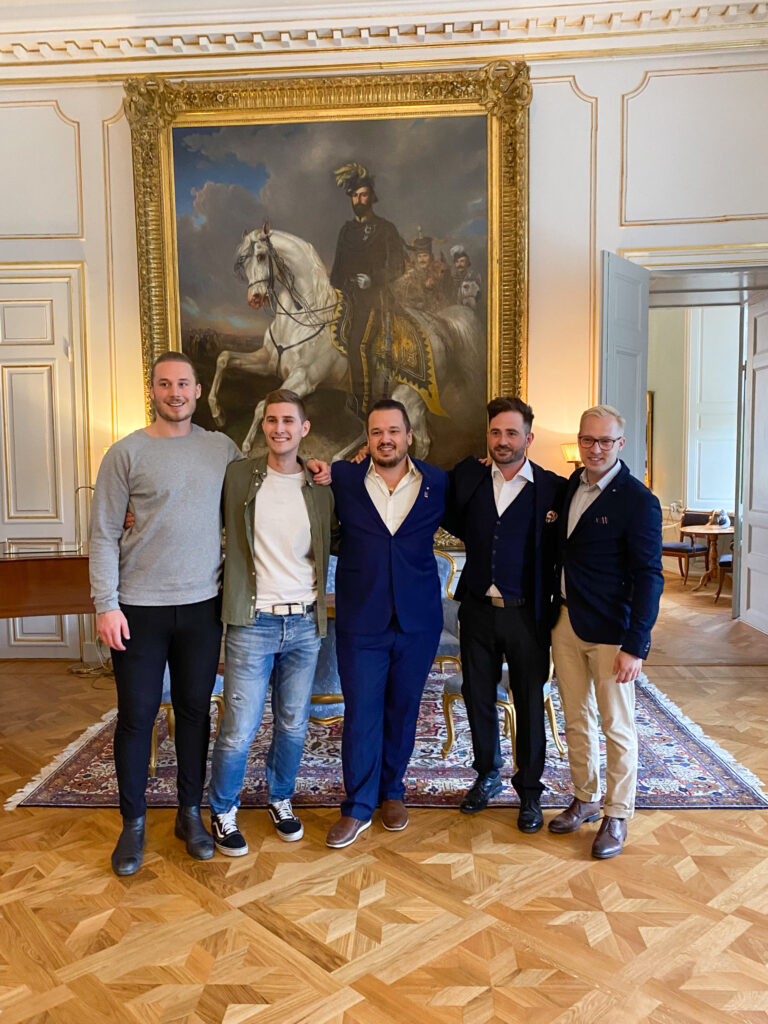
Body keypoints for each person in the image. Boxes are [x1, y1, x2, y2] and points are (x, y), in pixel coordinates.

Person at [89, 351, 241, 876]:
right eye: (164, 383)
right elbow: (103, 533)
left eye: (183, 383)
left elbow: (260, 494)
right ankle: (133, 824)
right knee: (136, 717)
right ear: (152, 390)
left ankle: (189, 814)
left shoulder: (222, 449)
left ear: (198, 390)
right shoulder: (125, 453)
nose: (175, 392)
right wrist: (106, 604)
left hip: (202, 607)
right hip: (137, 609)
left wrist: (321, 474)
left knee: (196, 713)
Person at [207, 389, 335, 855]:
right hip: (252, 622)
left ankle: (280, 799)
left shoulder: (320, 487)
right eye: (272, 420)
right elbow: (194, 504)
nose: (280, 428)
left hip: (304, 623)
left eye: (288, 421)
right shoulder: (238, 476)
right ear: (263, 426)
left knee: (293, 723)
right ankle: (223, 810)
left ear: (304, 429)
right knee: (239, 727)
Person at [325, 399, 447, 848]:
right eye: (376, 432)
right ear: (368, 438)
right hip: (362, 618)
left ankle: (392, 792)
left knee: (403, 709)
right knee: (361, 712)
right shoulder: (343, 478)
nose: (385, 439)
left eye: (394, 430)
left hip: (418, 620)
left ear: (409, 436)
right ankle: (357, 806)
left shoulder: (437, 481)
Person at [444, 397, 567, 832]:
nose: (502, 440)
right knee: (477, 696)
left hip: (527, 614)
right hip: (477, 611)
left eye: (512, 433)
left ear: (528, 439)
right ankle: (487, 775)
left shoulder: (554, 488)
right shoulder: (470, 477)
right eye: (496, 432)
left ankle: (530, 791)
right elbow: (430, 491)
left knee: (529, 701)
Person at [549, 404, 663, 859]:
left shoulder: (638, 500)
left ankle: (617, 813)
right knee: (576, 718)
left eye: (604, 441)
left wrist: (636, 645)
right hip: (565, 622)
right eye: (587, 440)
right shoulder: (568, 488)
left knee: (616, 724)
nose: (594, 449)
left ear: (620, 444)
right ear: (578, 442)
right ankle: (585, 797)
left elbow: (649, 575)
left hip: (613, 631)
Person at [330, 163, 405, 415]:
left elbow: (398, 266)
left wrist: (373, 280)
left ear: (372, 196)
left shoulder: (386, 229)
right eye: (354, 195)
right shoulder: (345, 231)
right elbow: (337, 271)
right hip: (346, 296)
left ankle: (362, 407)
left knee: (357, 345)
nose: (359, 200)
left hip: (374, 298)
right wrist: (338, 289)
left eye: (363, 195)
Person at [394, 232, 453, 313]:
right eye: (419, 256)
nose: (422, 260)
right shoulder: (412, 274)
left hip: (436, 311)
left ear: (430, 256)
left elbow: (444, 294)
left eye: (425, 256)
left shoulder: (437, 272)